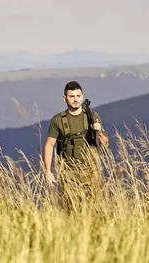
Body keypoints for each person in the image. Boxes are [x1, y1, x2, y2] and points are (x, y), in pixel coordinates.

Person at [42, 81, 109, 211]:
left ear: (82, 96)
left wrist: (99, 131)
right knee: (71, 208)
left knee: (95, 208)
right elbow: (49, 145)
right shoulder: (58, 120)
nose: (75, 99)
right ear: (65, 98)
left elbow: (105, 144)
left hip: (91, 170)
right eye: (72, 96)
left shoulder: (92, 116)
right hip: (68, 171)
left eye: (78, 96)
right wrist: (48, 172)